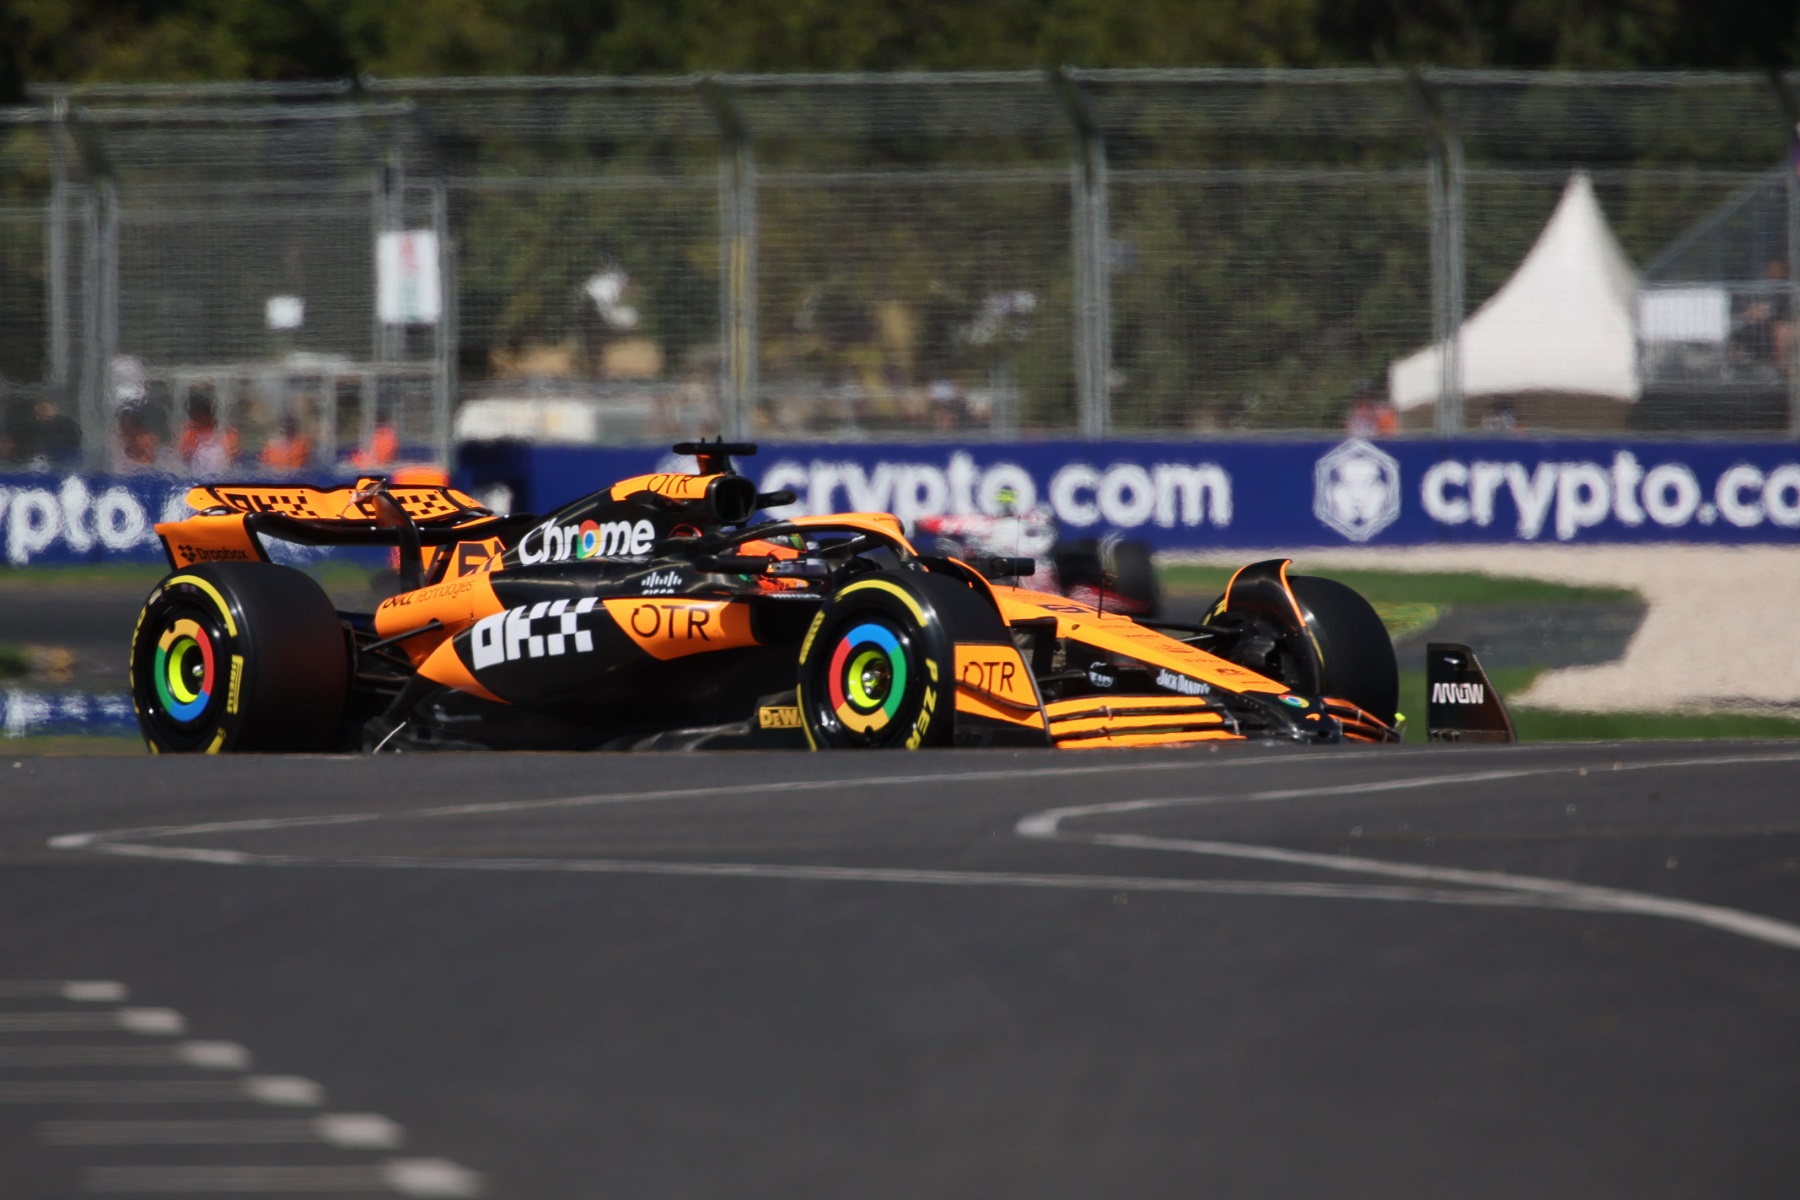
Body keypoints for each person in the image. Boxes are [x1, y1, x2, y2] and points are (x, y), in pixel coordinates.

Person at [178, 393, 239, 475]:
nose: (191, 421)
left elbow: (231, 460)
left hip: (219, 476)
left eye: (194, 417)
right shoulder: (190, 433)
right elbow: (182, 457)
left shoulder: (227, 433)